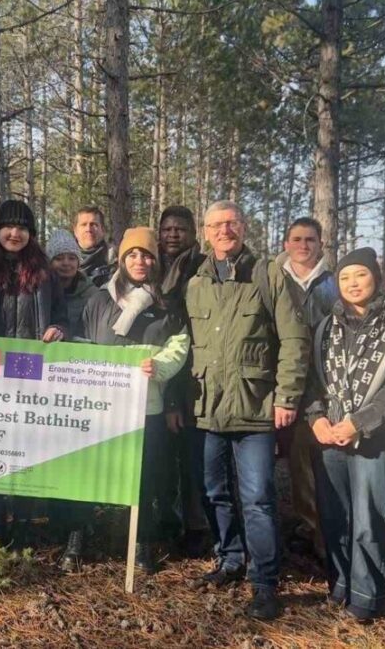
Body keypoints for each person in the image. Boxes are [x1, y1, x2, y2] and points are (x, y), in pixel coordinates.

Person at [184, 200, 309, 620]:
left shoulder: (268, 274)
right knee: (213, 491)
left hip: (255, 409)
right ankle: (230, 558)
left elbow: (293, 339)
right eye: (216, 225)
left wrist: (287, 396)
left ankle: (265, 582)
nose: (224, 231)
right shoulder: (196, 280)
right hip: (208, 408)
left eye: (231, 223)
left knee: (257, 498)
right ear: (205, 231)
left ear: (244, 227)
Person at [305, 247, 385, 623]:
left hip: (372, 438)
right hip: (329, 436)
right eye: (346, 277)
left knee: (370, 518)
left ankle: (366, 596)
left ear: (377, 279)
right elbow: (312, 382)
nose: (353, 284)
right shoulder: (325, 327)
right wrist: (317, 418)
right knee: (335, 515)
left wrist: (360, 422)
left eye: (361, 276)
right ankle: (339, 583)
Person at [75, 227, 188, 573]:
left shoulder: (166, 304)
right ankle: (78, 537)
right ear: (122, 259)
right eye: (133, 255)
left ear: (156, 261)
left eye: (147, 255)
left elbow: (180, 345)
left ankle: (140, 543)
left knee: (146, 477)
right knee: (88, 471)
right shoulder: (99, 300)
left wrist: (160, 366)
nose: (140, 261)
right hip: (102, 408)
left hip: (147, 407)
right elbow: (82, 341)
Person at [0, 199, 67, 547]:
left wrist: (57, 328)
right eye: (9, 226)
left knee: (24, 447)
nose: (15, 233)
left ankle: (23, 520)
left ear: (31, 233)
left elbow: (62, 316)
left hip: (30, 375)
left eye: (22, 227)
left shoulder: (45, 273)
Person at [274, 217, 338, 559]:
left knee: (307, 464)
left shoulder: (333, 284)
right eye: (296, 238)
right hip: (275, 383)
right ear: (286, 244)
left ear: (320, 245)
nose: (303, 245)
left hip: (316, 387)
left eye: (309, 239)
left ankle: (312, 531)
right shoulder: (273, 278)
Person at [156, 206, 210, 557]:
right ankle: (164, 520)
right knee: (161, 458)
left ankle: (197, 527)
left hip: (194, 374)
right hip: (154, 375)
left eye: (181, 229)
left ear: (193, 233)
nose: (173, 234)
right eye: (168, 229)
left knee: (194, 458)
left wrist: (175, 399)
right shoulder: (150, 266)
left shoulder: (203, 267)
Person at [45, 230, 98, 338]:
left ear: (78, 262)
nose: (66, 263)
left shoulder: (92, 295)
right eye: (59, 258)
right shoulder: (40, 293)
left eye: (72, 258)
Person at [73, 206, 115, 287]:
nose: (88, 229)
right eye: (84, 224)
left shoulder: (116, 260)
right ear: (75, 231)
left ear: (103, 230)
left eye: (93, 224)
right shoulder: (64, 260)